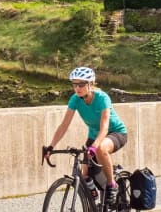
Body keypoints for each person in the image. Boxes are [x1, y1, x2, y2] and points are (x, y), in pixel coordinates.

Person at [43, 66, 128, 204]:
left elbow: (104, 128)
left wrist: (94, 147)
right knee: (84, 175)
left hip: (115, 132)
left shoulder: (102, 98)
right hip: (94, 136)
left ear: (90, 84)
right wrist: (51, 146)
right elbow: (64, 125)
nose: (77, 88)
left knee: (101, 148)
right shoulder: (75, 99)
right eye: (74, 84)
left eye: (81, 84)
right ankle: (93, 196)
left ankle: (112, 184)